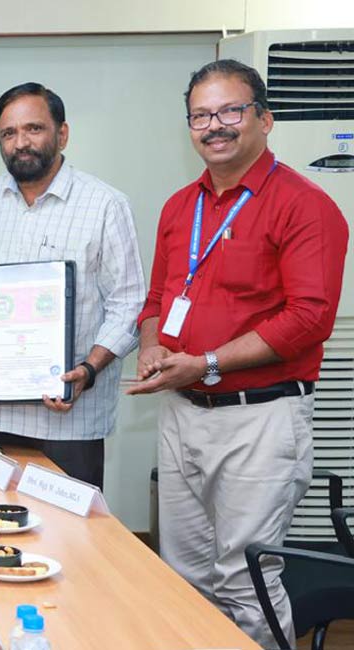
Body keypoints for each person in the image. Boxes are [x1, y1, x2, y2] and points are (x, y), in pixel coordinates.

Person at [127, 59, 348, 646]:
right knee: (184, 578)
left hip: (260, 417)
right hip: (181, 411)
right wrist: (153, 348)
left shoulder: (305, 205)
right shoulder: (181, 206)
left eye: (230, 110)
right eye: (200, 114)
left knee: (245, 578)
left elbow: (309, 319)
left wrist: (209, 363)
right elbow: (156, 299)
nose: (214, 125)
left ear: (264, 118)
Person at [0, 82, 145, 489]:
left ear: (62, 133)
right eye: (9, 133)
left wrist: (89, 370)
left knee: (69, 542)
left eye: (33, 129)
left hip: (68, 419)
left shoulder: (104, 204)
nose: (21, 142)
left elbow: (130, 305)